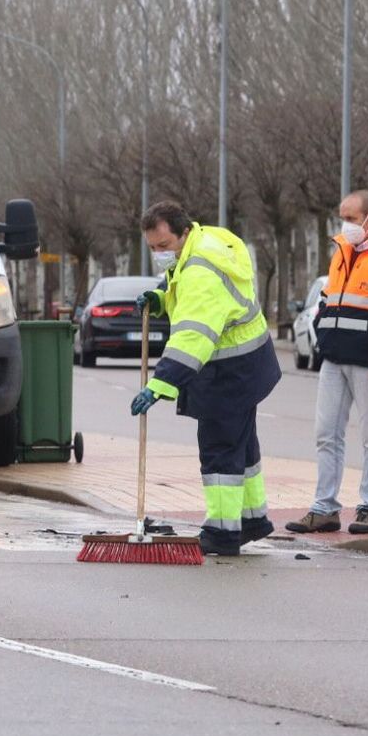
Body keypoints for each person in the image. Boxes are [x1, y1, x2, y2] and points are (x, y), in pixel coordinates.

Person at [130, 200, 281, 556]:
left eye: (163, 246)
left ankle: (223, 533)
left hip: (228, 370)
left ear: (184, 232)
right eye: (152, 248)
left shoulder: (200, 270)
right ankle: (251, 518)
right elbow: (194, 300)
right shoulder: (206, 242)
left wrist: (159, 384)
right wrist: (163, 298)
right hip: (247, 361)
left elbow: (193, 336)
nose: (159, 254)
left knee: (219, 451)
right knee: (241, 446)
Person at [286, 190, 368, 536]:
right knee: (326, 435)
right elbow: (328, 300)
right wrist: (322, 337)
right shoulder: (342, 251)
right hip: (334, 360)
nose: (345, 224)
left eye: (351, 218)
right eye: (342, 217)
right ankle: (324, 509)